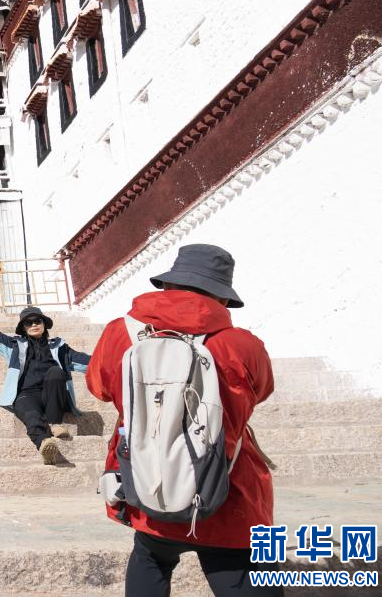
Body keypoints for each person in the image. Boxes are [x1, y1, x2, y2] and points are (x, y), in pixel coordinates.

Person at [85, 244, 280, 596]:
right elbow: (262, 391)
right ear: (223, 297)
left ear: (167, 285)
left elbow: (99, 388)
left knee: (150, 556)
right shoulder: (242, 345)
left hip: (151, 481)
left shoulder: (119, 333)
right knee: (240, 570)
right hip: (227, 491)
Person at [0, 299, 90, 464]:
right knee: (31, 415)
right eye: (28, 322)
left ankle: (54, 422)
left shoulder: (60, 347)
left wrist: (112, 359)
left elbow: (89, 362)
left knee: (56, 372)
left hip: (53, 395)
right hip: (26, 394)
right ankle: (44, 443)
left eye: (37, 321)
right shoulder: (14, 345)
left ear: (44, 324)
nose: (34, 324)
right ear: (23, 327)